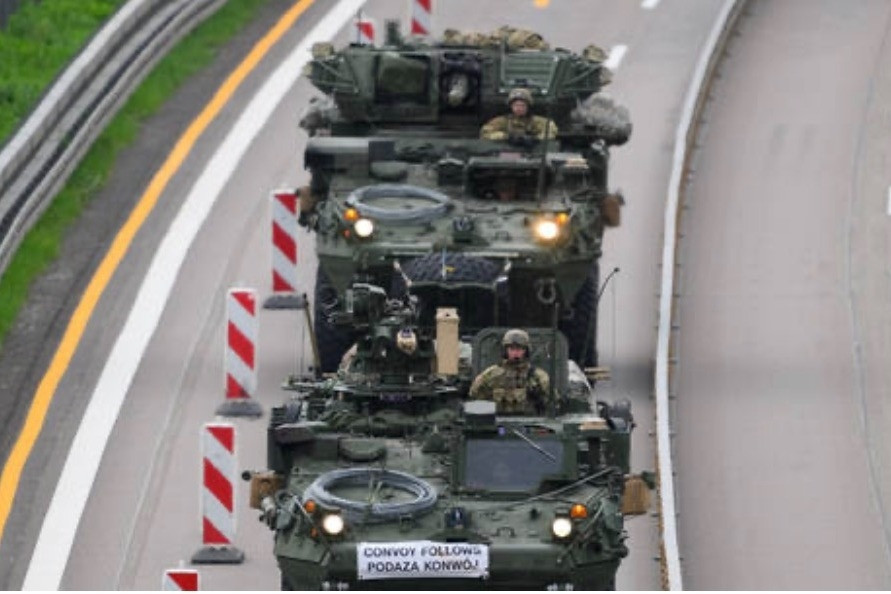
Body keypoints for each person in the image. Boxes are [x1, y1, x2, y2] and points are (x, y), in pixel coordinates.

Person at [469, 329, 551, 414]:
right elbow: (475, 399)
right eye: (512, 349)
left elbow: (552, 404)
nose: (515, 352)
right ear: (505, 350)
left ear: (526, 351)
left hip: (529, 420)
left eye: (519, 349)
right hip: (498, 419)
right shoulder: (490, 375)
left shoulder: (538, 377)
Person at [479, 88, 558, 143]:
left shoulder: (537, 121)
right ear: (511, 106)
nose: (519, 108)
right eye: (516, 105)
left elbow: (551, 131)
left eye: (522, 105)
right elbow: (485, 133)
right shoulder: (501, 121)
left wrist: (535, 139)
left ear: (528, 107)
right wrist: (507, 137)